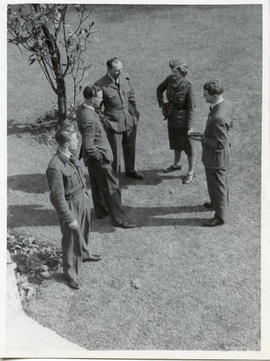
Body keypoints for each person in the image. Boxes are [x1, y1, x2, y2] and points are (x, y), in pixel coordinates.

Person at [46, 126, 101, 290]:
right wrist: (68, 217)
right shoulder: (55, 167)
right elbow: (57, 197)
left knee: (84, 230)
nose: (79, 141)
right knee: (70, 239)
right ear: (67, 143)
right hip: (70, 204)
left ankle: (84, 254)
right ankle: (70, 274)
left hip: (81, 199)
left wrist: (85, 196)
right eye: (76, 139)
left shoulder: (71, 156)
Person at [76, 85, 136, 229]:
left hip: (92, 159)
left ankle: (101, 211)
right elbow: (89, 145)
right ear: (92, 98)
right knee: (112, 188)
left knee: (97, 185)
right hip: (99, 158)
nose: (102, 100)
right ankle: (120, 219)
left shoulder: (83, 109)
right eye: (100, 98)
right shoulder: (88, 117)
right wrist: (101, 158)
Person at [95, 57, 144, 179]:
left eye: (121, 69)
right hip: (113, 123)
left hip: (129, 120)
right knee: (115, 152)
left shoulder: (125, 79)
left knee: (130, 147)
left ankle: (130, 170)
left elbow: (131, 97)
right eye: (117, 70)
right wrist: (106, 122)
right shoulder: (100, 85)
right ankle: (114, 176)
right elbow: (97, 108)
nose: (120, 72)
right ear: (109, 69)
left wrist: (134, 114)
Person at [156, 59, 196, 184]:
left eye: (175, 72)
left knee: (188, 146)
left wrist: (189, 126)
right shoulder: (169, 79)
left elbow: (191, 108)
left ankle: (191, 171)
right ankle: (177, 164)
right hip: (172, 117)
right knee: (174, 141)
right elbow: (159, 89)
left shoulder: (188, 86)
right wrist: (162, 104)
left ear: (182, 73)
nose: (173, 73)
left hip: (183, 120)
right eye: (172, 71)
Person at [201, 80, 233, 226]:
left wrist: (204, 139)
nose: (203, 96)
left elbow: (220, 142)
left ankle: (220, 217)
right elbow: (230, 124)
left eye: (206, 94)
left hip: (216, 158)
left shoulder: (218, 117)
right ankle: (217, 204)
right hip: (221, 156)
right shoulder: (225, 104)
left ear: (214, 95)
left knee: (217, 185)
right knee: (218, 184)